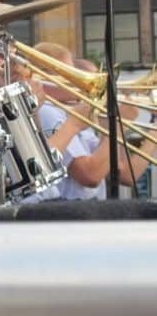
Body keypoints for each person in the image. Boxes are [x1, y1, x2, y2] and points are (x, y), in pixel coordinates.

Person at [35, 42, 151, 200]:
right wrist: (119, 125)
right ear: (45, 77)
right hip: (72, 216)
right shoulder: (49, 112)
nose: (80, 83)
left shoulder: (69, 112)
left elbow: (124, 173)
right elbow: (91, 175)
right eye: (70, 74)